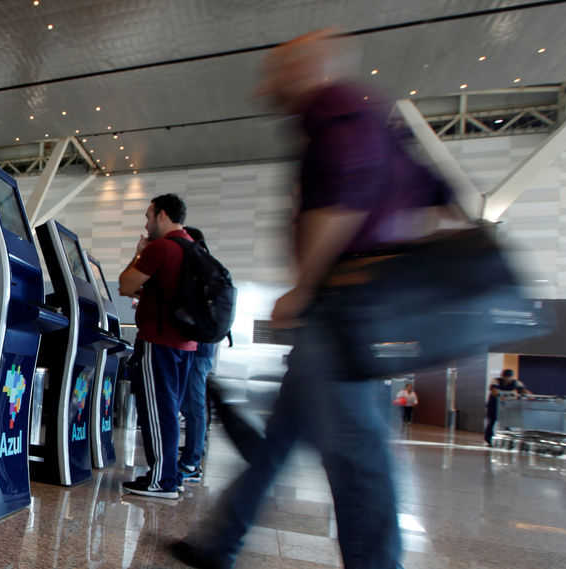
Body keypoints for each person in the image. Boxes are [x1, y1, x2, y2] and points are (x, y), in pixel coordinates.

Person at [171, 29, 453, 569]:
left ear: (309, 66)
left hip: (340, 309)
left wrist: (306, 286)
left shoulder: (335, 108)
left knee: (357, 460)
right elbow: (441, 199)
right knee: (279, 441)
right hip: (357, 307)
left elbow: (344, 194)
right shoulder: (378, 119)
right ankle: (220, 542)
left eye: (277, 71)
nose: (267, 87)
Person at [119, 193, 197, 499]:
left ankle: (162, 480)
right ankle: (169, 476)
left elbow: (124, 284)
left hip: (159, 341)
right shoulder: (190, 245)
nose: (147, 223)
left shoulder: (162, 247)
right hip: (186, 345)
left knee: (157, 411)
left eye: (149, 217)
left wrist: (139, 253)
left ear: (163, 215)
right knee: (168, 410)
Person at [178, 226, 217, 483]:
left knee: (193, 406)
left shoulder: (199, 268)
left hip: (199, 347)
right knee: (189, 404)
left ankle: (192, 463)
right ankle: (193, 452)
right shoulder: (205, 266)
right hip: (200, 346)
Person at [485, 369, 529, 445]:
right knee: (492, 421)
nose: (507, 379)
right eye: (506, 377)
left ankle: (508, 440)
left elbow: (523, 390)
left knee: (506, 423)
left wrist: (529, 396)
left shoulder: (515, 382)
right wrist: (500, 395)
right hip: (494, 404)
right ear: (502, 376)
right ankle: (489, 439)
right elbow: (494, 390)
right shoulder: (496, 380)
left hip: (506, 405)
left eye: (509, 377)